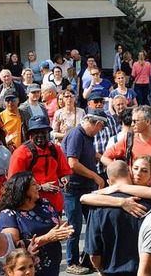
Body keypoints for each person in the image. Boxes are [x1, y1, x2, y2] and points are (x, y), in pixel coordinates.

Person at [0, 172, 74, 276]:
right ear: (23, 189)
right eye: (34, 185)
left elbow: (58, 225)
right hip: (27, 269)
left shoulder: (45, 204)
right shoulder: (9, 214)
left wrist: (64, 231)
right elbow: (12, 245)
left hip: (53, 265)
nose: (38, 187)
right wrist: (47, 238)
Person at [84, 161, 151, 276]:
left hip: (112, 271)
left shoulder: (98, 206)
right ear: (130, 174)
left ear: (109, 182)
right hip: (145, 270)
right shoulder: (148, 201)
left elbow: (94, 253)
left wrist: (101, 271)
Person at [61, 111, 107, 274]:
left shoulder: (87, 136)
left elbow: (92, 154)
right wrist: (96, 177)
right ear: (96, 123)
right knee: (74, 227)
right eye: (100, 128)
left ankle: (87, 258)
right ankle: (72, 262)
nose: (99, 131)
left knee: (93, 224)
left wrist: (107, 161)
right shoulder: (76, 135)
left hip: (86, 188)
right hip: (74, 188)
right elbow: (72, 163)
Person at [8, 116, 72, 214]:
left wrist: (65, 178)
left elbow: (64, 170)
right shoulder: (21, 153)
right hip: (31, 206)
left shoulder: (55, 149)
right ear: (30, 134)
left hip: (54, 205)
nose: (40, 135)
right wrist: (40, 187)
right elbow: (14, 183)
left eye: (44, 132)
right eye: (36, 132)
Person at [101, 106, 151, 178]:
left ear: (147, 121)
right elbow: (105, 157)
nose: (132, 124)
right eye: (132, 121)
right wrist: (122, 173)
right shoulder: (129, 139)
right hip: (134, 187)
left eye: (135, 121)